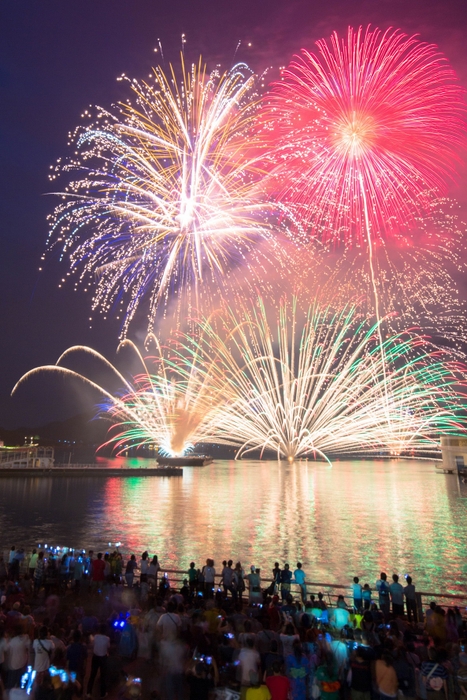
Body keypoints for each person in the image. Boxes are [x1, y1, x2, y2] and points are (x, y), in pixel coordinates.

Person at [86, 623, 110, 699]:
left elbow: (92, 644)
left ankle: (88, 692)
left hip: (95, 657)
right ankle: (102, 693)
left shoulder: (96, 637)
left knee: (92, 674)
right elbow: (108, 646)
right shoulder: (107, 638)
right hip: (103, 658)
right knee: (103, 675)